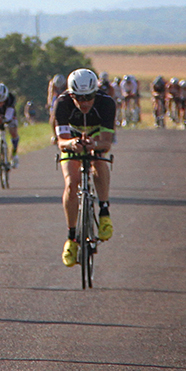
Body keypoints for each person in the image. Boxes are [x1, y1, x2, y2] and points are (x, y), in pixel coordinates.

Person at [55, 67, 116, 265]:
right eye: (79, 98)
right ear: (71, 95)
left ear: (95, 93)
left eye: (89, 97)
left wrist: (94, 145)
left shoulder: (106, 103)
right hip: (72, 140)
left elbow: (106, 143)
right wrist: (72, 143)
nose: (85, 103)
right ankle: (71, 238)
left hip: (96, 138)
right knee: (71, 185)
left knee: (98, 159)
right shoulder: (62, 103)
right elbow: (61, 142)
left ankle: (104, 211)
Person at [46, 73, 68, 144]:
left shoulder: (66, 84)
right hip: (56, 99)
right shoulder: (52, 84)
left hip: (64, 97)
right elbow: (50, 95)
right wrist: (49, 104)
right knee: (52, 118)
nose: (59, 88)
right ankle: (55, 135)